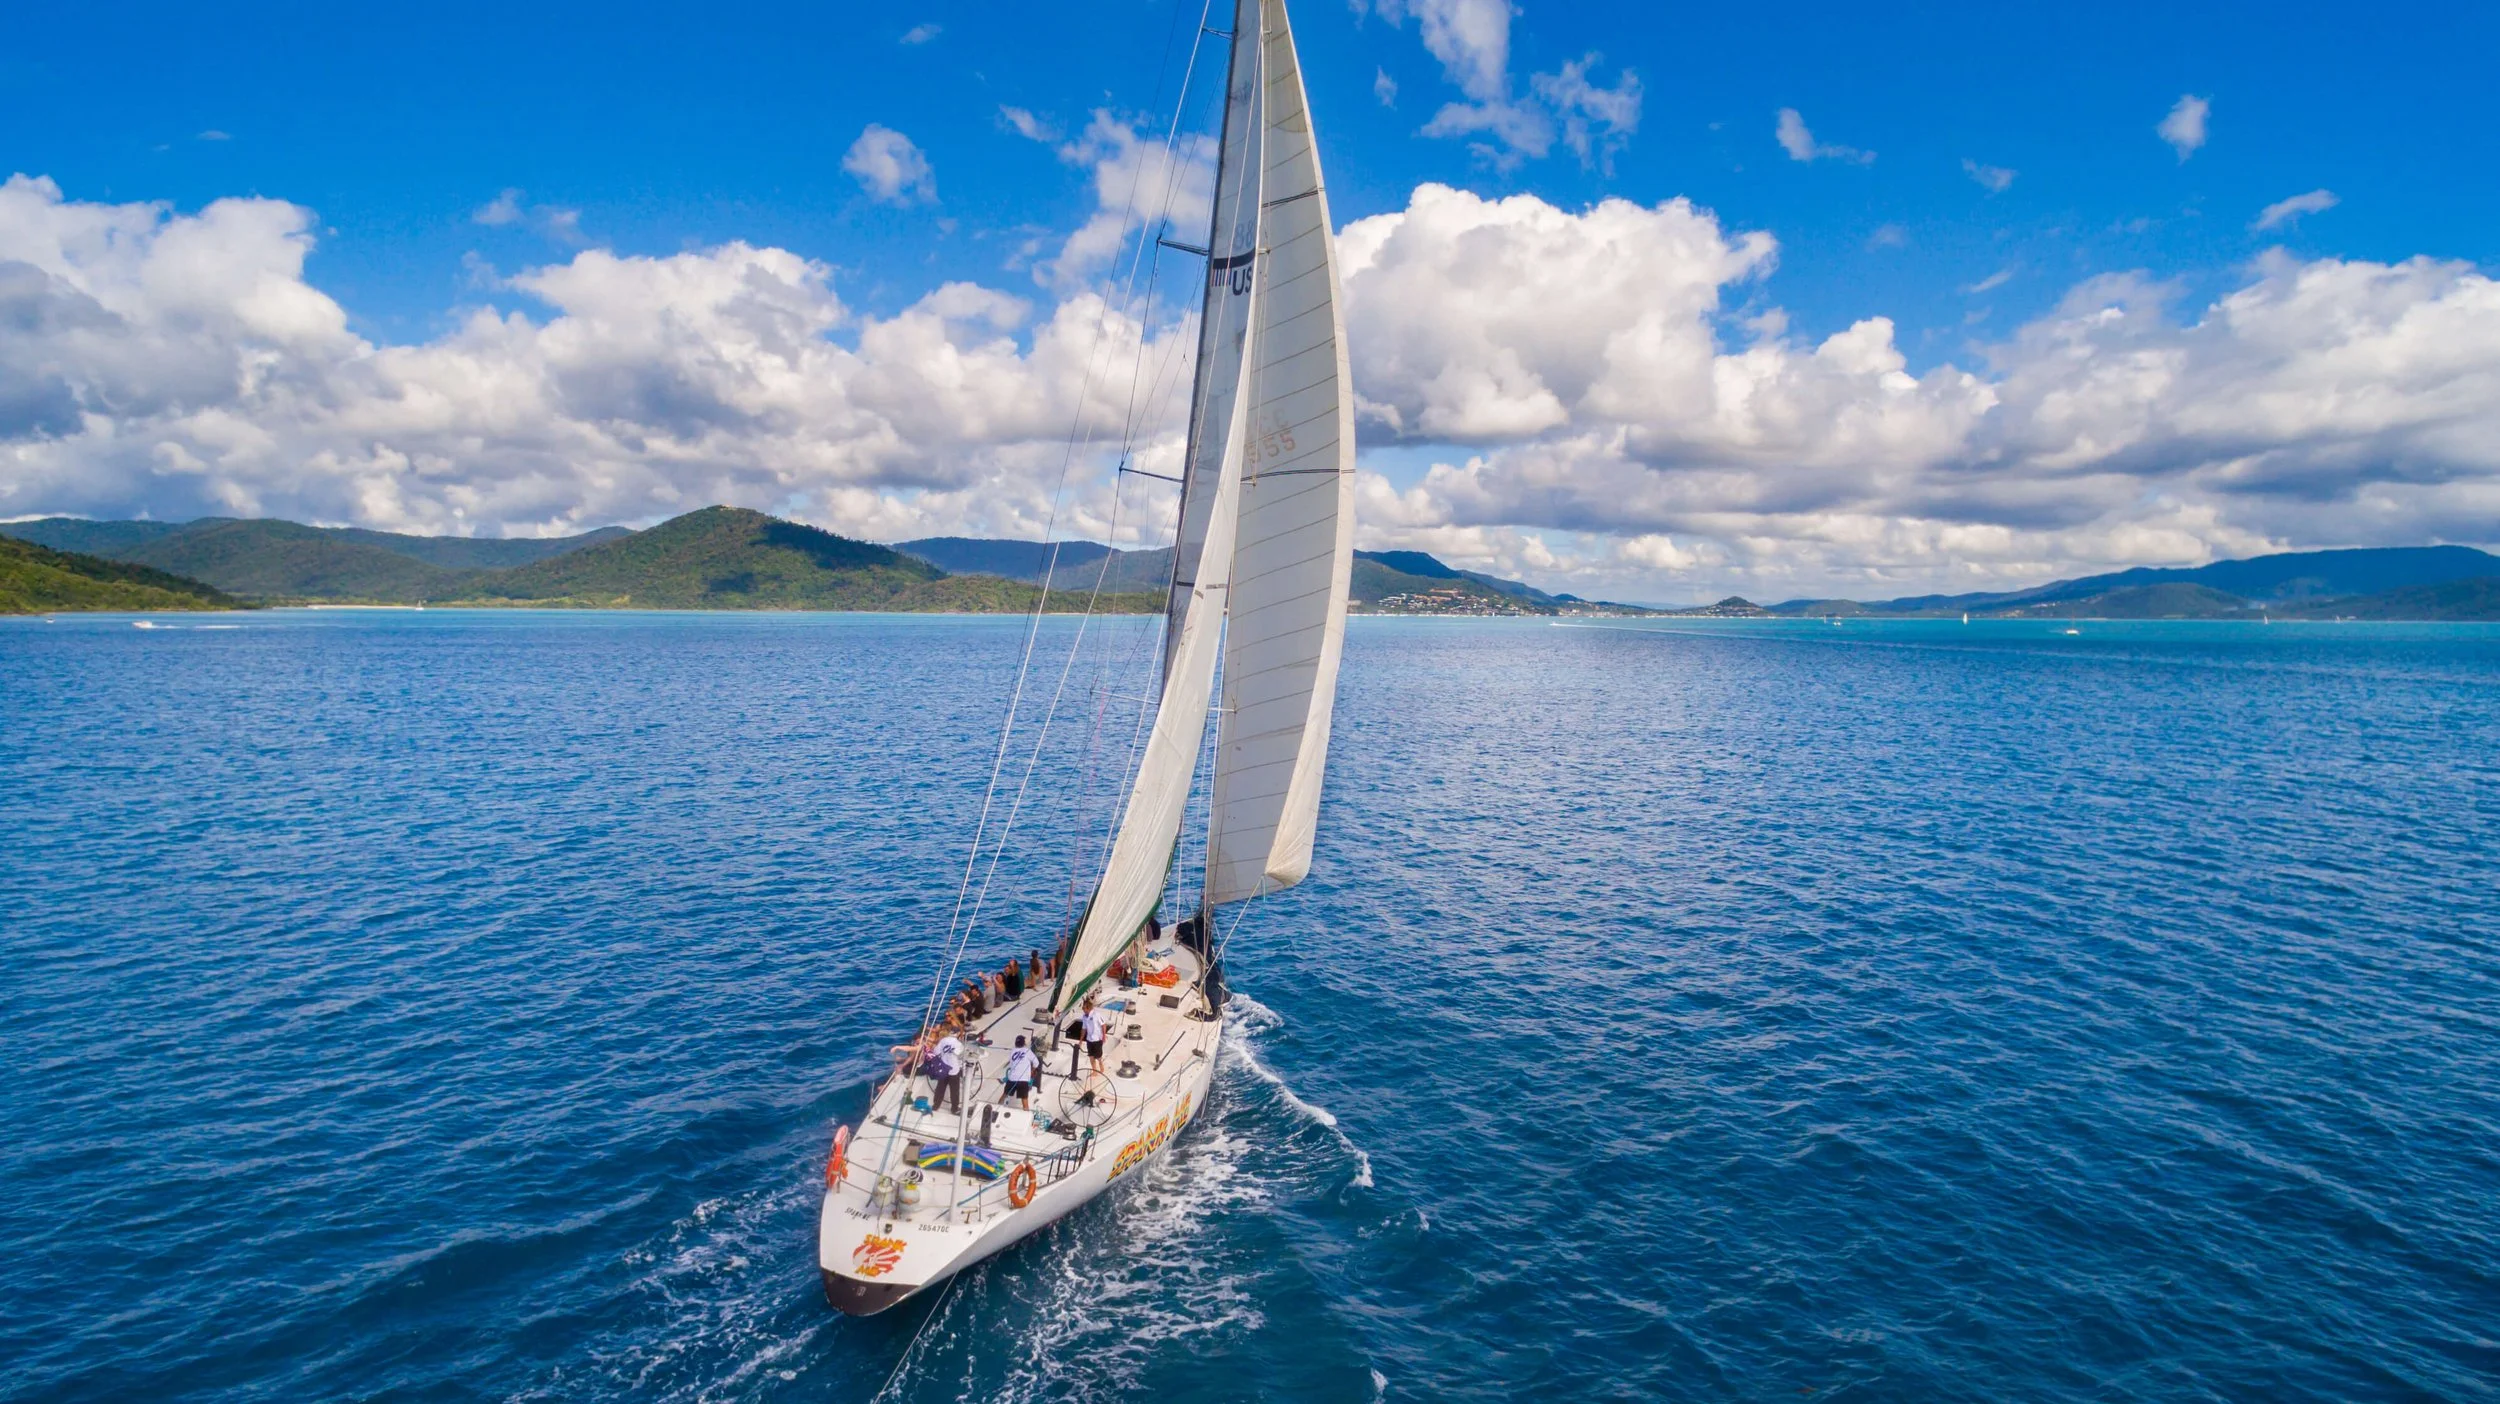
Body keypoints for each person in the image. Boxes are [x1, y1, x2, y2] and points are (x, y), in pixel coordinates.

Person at [925, 1030, 964, 1115]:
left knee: (940, 1088)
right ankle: (954, 1109)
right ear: (957, 1034)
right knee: (955, 1091)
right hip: (954, 1070)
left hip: (943, 1069)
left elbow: (936, 1052)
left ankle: (936, 1106)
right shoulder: (959, 1044)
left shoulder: (943, 1040)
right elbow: (960, 1056)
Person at [1002, 1035, 1038, 1107]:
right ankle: (1026, 1113)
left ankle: (995, 1108)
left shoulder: (1012, 1051)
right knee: (1024, 1101)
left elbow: (1011, 1065)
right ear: (1024, 1043)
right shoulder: (1027, 1050)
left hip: (1012, 1078)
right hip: (1023, 1080)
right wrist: (1032, 1070)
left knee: (1004, 1095)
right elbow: (1036, 1063)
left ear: (1016, 1043)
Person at [1080, 996, 1108, 1075]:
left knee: (1098, 1057)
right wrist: (1081, 1040)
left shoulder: (1096, 1015)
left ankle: (1101, 1064)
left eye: (1084, 1008)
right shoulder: (1084, 1017)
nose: (1083, 1009)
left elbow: (1103, 1025)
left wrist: (1104, 1036)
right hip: (1089, 1039)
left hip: (1097, 1039)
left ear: (1088, 1008)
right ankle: (1094, 1071)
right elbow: (1084, 1029)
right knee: (1091, 1056)